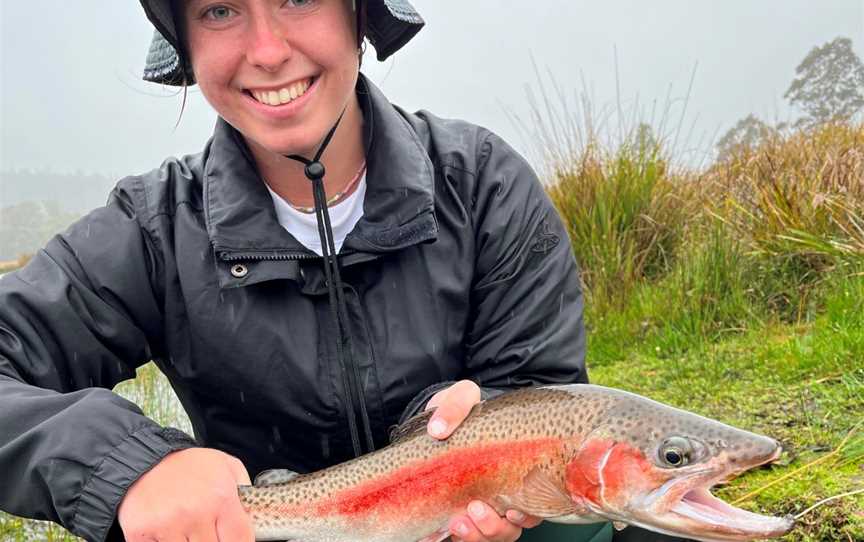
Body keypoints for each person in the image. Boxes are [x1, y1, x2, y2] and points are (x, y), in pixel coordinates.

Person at [0, 1, 605, 541]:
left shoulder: (481, 185)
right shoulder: (152, 230)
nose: (267, 51)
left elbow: (541, 389)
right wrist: (129, 465)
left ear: (358, 14)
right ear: (185, 41)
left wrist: (480, 436)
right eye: (218, 11)